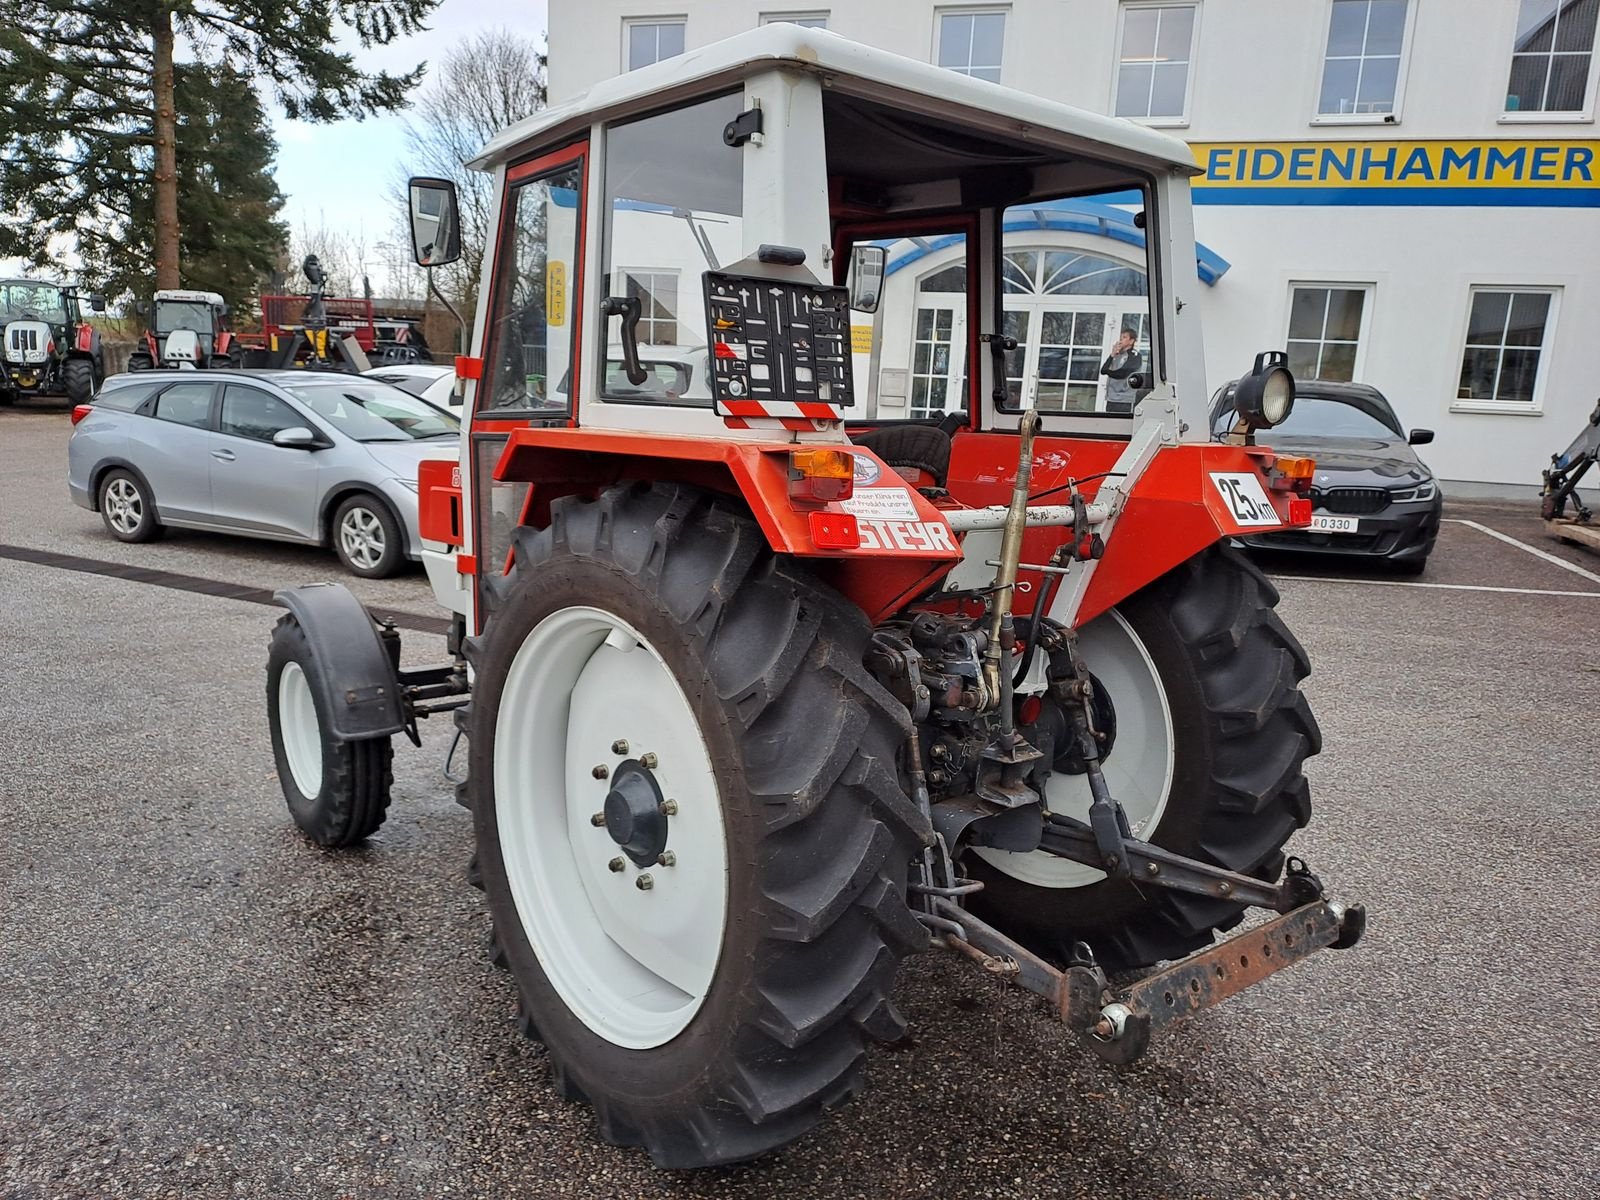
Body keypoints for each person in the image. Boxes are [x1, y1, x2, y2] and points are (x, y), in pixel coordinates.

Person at [1100, 328, 1142, 414]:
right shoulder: (1117, 355)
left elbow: (1123, 373)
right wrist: (1112, 355)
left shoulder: (1135, 356)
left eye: (1124, 337)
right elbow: (1103, 369)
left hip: (1125, 399)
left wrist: (1108, 372)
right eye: (1120, 338)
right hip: (1111, 398)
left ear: (1131, 341)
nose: (1121, 340)